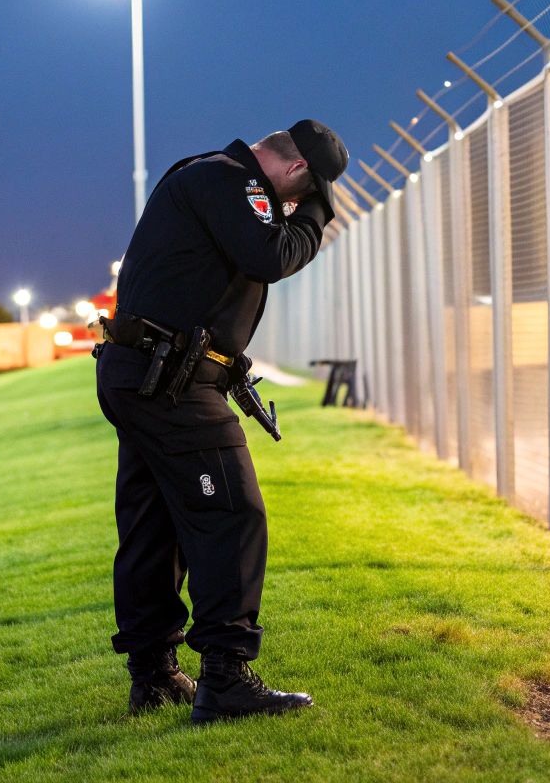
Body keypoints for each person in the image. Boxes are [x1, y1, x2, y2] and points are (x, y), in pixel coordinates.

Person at [93, 119, 346, 723]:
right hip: (170, 383)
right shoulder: (233, 181)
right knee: (232, 514)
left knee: (154, 527)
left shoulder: (209, 174)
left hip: (151, 374)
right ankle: (226, 680)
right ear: (295, 173)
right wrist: (316, 213)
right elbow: (273, 253)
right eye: (297, 195)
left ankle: (153, 675)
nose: (289, 209)